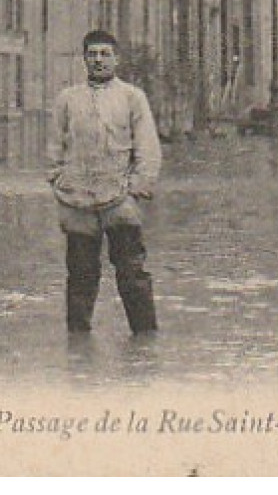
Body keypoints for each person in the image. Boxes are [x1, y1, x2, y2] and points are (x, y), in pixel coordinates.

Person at [48, 29, 162, 336]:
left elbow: (147, 146)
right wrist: (60, 181)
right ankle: (78, 345)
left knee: (132, 274)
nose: (99, 60)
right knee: (81, 276)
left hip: (120, 199)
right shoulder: (67, 99)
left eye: (105, 54)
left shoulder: (132, 97)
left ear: (117, 59)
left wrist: (139, 185)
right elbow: (54, 148)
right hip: (78, 201)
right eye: (92, 54)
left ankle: (145, 341)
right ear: (84, 59)